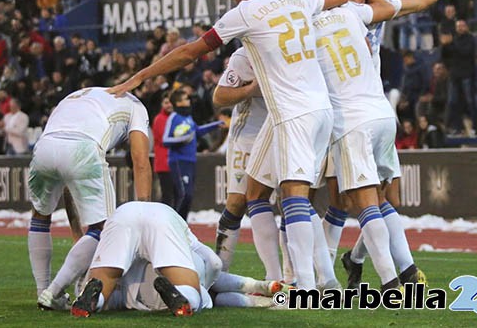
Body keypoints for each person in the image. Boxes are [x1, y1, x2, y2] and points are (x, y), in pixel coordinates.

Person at [109, 0, 350, 290]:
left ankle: (311, 287)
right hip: (319, 108)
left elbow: (189, 52)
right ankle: (283, 278)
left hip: (294, 113)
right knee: (255, 191)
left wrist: (140, 77)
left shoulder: (245, 12)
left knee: (293, 196)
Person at [269, 0, 421, 290]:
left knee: (311, 196)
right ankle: (362, 268)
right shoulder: (356, 10)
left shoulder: (306, 21)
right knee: (367, 199)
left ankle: (335, 279)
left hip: (340, 118)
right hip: (378, 111)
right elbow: (415, 3)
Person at [322, 0, 468, 289]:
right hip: (348, 114)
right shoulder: (334, 11)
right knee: (348, 201)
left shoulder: (373, 7)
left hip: (374, 111)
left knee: (384, 198)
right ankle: (395, 276)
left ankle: (358, 260)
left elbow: (417, 1)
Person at [28, 87, 152, 311]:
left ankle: (42, 290)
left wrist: (77, 231)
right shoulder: (137, 107)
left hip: (44, 147)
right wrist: (144, 213)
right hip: (83, 148)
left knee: (40, 217)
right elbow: (141, 160)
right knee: (104, 229)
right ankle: (54, 291)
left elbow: (68, 185)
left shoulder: (80, 95)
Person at [71, 201, 287, 317]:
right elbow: (214, 263)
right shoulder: (185, 242)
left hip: (122, 214)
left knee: (103, 286)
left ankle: (93, 301)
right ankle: (263, 289)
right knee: (197, 295)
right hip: (164, 222)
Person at [211, 48, 267, 274]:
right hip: (248, 134)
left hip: (284, 127)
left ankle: (292, 278)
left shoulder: (296, 45)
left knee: (293, 199)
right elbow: (220, 96)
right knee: (237, 202)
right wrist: (251, 89)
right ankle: (218, 273)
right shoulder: (245, 55)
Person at [162, 88, 224, 220]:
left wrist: (214, 125)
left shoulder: (188, 117)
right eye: (185, 99)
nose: (188, 101)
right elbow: (165, 140)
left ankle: (181, 223)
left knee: (187, 195)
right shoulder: (174, 117)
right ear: (178, 103)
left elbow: (196, 131)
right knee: (184, 194)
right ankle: (176, 223)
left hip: (190, 160)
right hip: (179, 160)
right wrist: (184, 139)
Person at [151, 93, 173, 205]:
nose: (169, 105)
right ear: (161, 104)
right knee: (167, 194)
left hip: (173, 162)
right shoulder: (159, 119)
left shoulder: (174, 118)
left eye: (170, 102)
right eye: (166, 103)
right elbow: (164, 139)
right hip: (164, 163)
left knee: (174, 194)